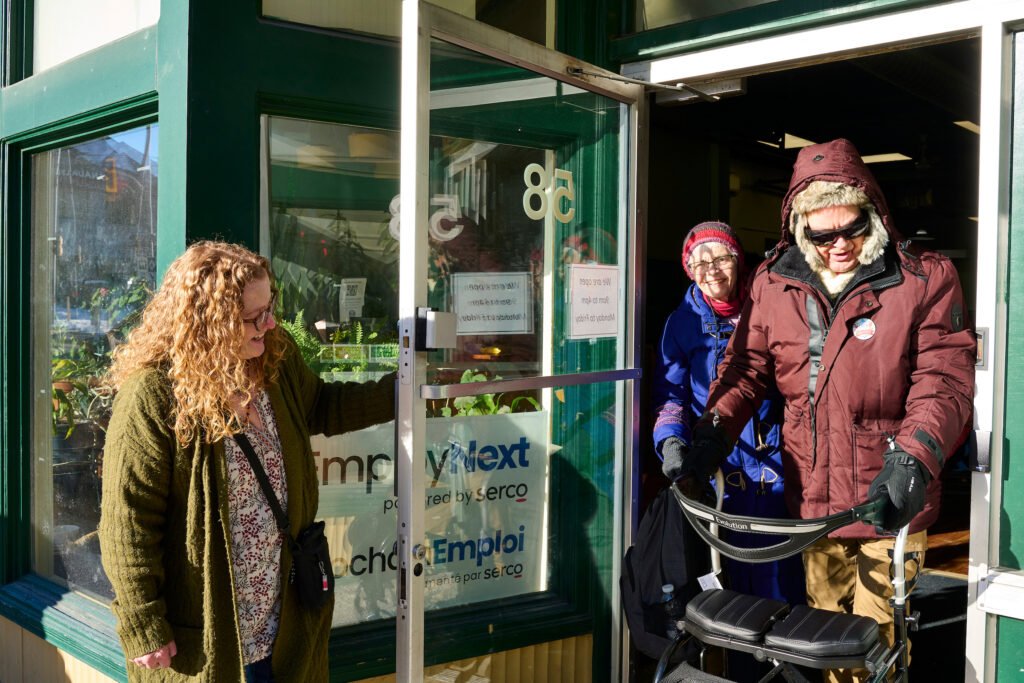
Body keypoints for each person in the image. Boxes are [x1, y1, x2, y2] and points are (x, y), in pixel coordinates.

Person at [674, 139, 975, 682]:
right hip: (814, 501)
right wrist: (709, 437)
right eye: (822, 232)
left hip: (888, 499)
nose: (840, 245)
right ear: (800, 227)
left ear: (874, 214)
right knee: (821, 640)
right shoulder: (773, 283)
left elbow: (944, 381)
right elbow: (746, 371)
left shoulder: (922, 278)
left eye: (853, 228)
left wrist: (912, 459)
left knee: (877, 642)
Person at [98, 241, 395, 682]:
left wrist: (404, 391)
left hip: (286, 625)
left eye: (269, 308)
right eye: (252, 317)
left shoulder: (274, 357)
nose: (269, 323)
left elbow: (323, 407)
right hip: (208, 644)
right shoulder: (153, 396)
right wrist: (143, 625)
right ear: (207, 325)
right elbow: (129, 521)